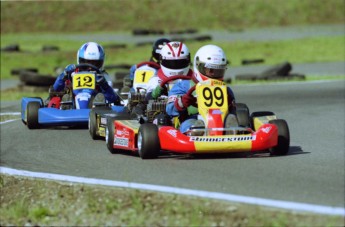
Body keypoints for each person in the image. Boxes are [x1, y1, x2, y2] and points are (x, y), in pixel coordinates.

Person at [166, 44, 238, 134]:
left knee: (231, 118)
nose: (214, 75)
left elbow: (234, 111)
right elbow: (169, 109)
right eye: (210, 71)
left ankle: (231, 130)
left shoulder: (225, 89)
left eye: (219, 71)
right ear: (198, 65)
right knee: (190, 124)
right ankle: (196, 130)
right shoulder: (183, 85)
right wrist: (182, 102)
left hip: (220, 119)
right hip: (193, 118)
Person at [50, 42, 120, 106]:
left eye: (94, 63)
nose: (90, 67)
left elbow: (112, 98)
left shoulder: (103, 76)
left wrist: (104, 85)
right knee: (55, 100)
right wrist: (63, 75)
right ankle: (66, 104)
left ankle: (99, 106)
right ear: (80, 60)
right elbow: (55, 89)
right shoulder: (73, 72)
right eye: (86, 62)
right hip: (72, 104)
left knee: (105, 100)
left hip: (95, 108)